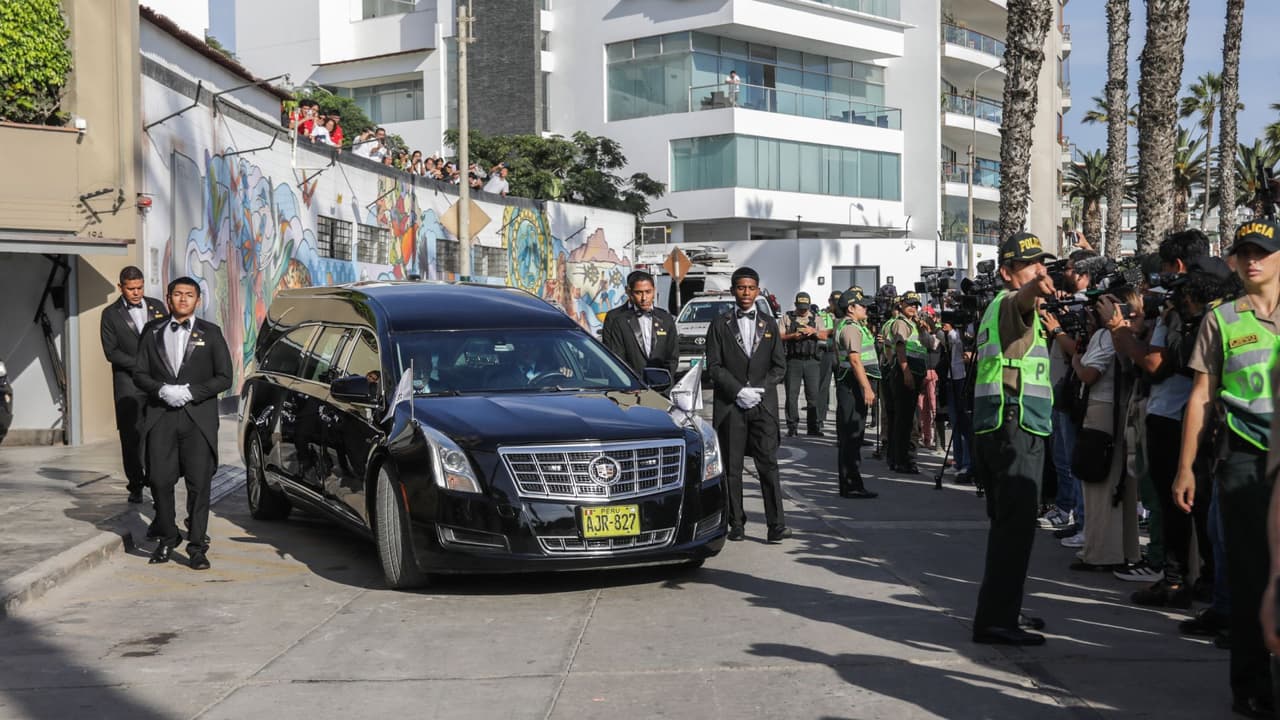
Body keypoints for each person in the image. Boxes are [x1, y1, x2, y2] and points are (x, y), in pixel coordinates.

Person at [1176, 219, 1280, 718]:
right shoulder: (1222, 319)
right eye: (1244, 252)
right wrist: (1186, 468)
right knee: (1249, 575)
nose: (1252, 260)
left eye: (1262, 251)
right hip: (1241, 459)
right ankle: (1251, 686)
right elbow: (1200, 396)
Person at [972, 231, 1056, 647]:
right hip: (1014, 426)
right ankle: (996, 621)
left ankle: (1004, 608)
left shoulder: (1004, 309)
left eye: (1043, 263)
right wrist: (1032, 290)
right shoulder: (1008, 303)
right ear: (1007, 273)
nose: (1041, 270)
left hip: (1004, 426)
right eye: (1029, 265)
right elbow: (1019, 302)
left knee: (1009, 526)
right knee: (1015, 530)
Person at [133, 277, 232, 570]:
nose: (183, 299)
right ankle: (167, 536)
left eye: (189, 295)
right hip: (161, 416)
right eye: (178, 294)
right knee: (160, 480)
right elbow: (139, 373)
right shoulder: (151, 332)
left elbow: (225, 377)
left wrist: (191, 392)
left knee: (199, 484)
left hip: (197, 418)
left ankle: (197, 547)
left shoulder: (211, 333)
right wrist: (160, 389)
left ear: (198, 300)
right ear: (168, 298)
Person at [705, 267, 789, 543]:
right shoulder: (720, 324)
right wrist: (738, 391)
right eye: (740, 288)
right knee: (732, 468)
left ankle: (776, 524)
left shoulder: (769, 322)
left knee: (769, 465)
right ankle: (736, 523)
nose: (745, 293)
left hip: (762, 405)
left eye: (751, 288)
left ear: (758, 290)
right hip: (732, 405)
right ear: (733, 291)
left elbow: (779, 366)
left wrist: (759, 389)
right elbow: (714, 366)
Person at [100, 266, 167, 504]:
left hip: (156, 383)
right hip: (128, 384)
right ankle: (136, 483)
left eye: (139, 287)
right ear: (121, 288)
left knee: (158, 432)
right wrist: (141, 364)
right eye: (131, 289)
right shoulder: (110, 314)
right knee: (131, 436)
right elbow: (111, 352)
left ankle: (157, 478)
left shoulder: (158, 306)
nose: (136, 293)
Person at [833, 287, 879, 499]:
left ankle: (852, 483)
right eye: (862, 305)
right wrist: (867, 388)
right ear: (851, 308)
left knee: (853, 436)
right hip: (852, 386)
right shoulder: (851, 328)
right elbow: (854, 360)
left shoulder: (853, 325)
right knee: (852, 435)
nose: (866, 308)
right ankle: (851, 484)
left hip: (852, 385)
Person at [601, 270, 679, 379]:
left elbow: (672, 356)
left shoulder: (665, 318)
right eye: (639, 292)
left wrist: (663, 379)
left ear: (654, 291)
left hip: (661, 387)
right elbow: (616, 356)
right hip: (631, 387)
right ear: (630, 293)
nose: (644, 298)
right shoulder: (619, 320)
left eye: (648, 292)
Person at [886, 292, 930, 473]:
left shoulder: (916, 324)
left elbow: (929, 345)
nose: (914, 307)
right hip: (906, 372)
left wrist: (924, 329)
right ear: (901, 305)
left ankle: (900, 458)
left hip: (917, 372)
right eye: (910, 304)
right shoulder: (901, 323)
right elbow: (900, 347)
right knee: (905, 421)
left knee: (908, 418)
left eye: (916, 305)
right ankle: (902, 460)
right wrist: (906, 373)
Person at [780, 292, 828, 437]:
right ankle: (792, 426)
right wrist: (793, 335)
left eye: (805, 308)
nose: (803, 311)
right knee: (791, 395)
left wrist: (812, 331)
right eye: (800, 308)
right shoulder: (787, 317)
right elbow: (779, 336)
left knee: (813, 395)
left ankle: (813, 427)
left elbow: (825, 335)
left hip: (812, 361)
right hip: (793, 360)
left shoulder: (816, 318)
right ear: (795, 305)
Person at [815, 291, 840, 436]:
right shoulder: (822, 314)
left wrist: (830, 331)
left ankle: (840, 421)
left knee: (841, 387)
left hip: (839, 353)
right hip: (825, 352)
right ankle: (819, 419)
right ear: (829, 301)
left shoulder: (844, 316)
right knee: (822, 386)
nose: (835, 305)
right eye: (833, 302)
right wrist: (833, 330)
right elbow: (820, 332)